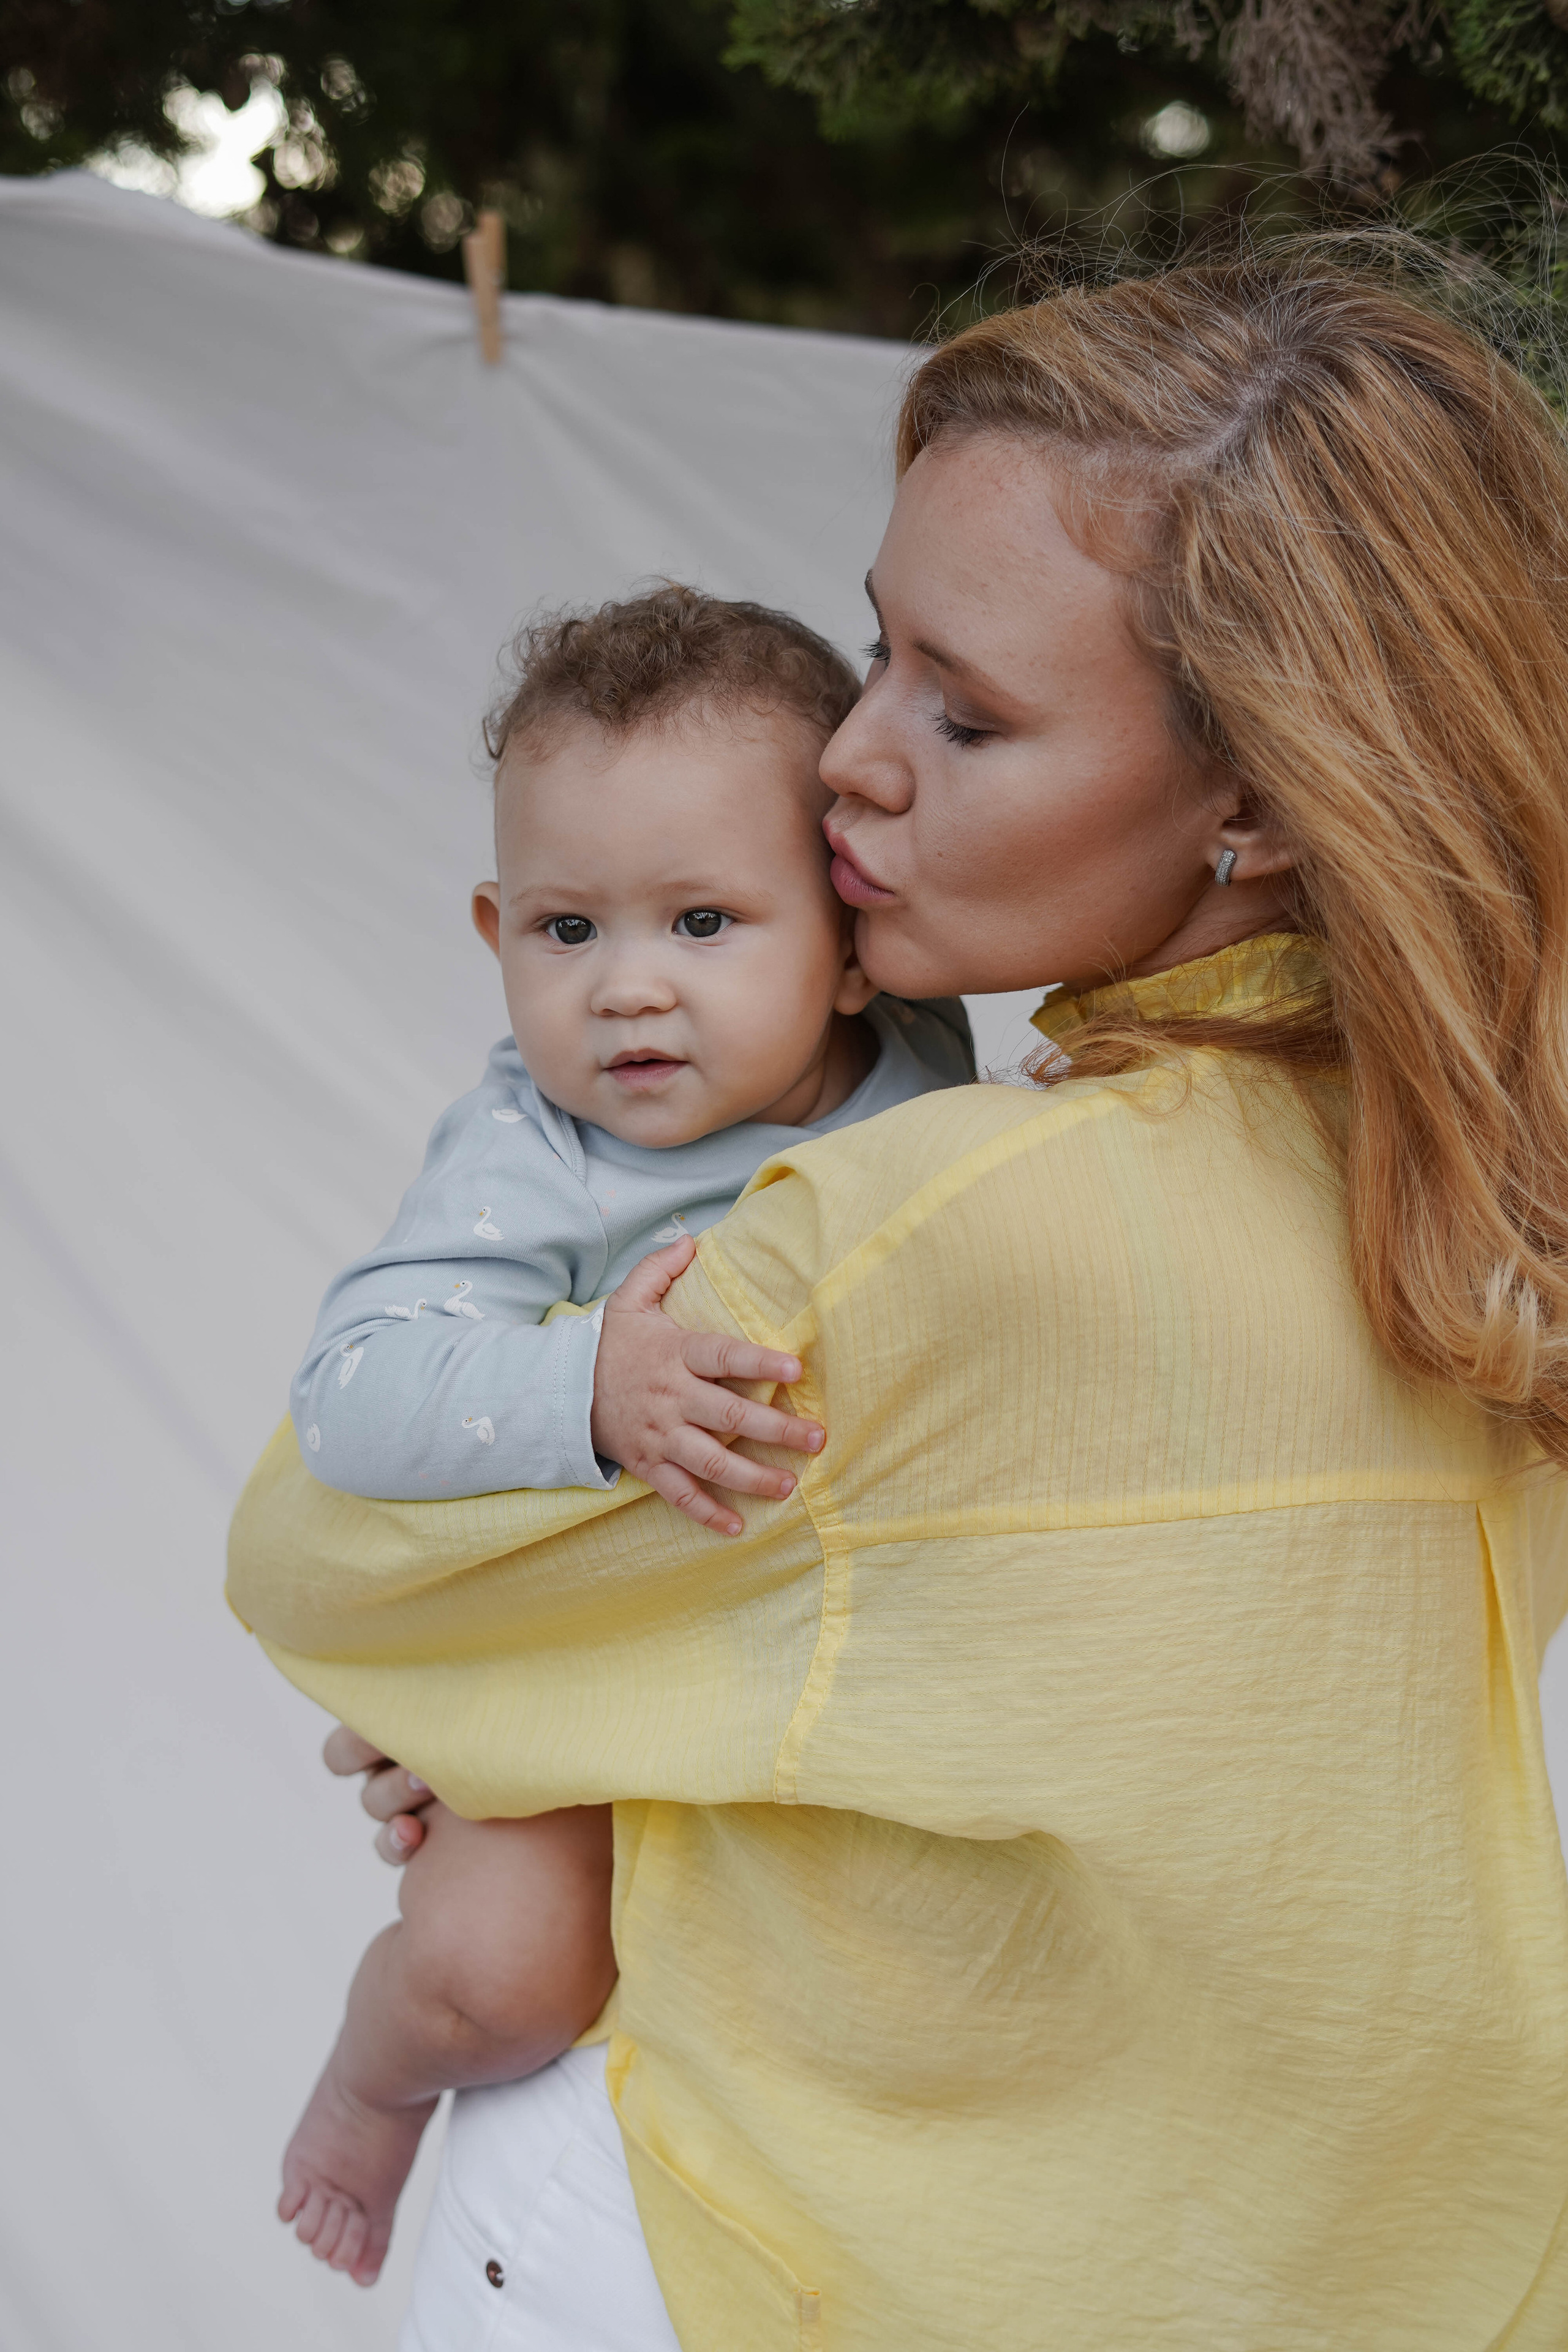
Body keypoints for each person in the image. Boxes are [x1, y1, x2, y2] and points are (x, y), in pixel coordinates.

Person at [230, 247, 1568, 2352]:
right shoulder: (1486, 1237)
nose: (846, 761)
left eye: (969, 711)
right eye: (877, 654)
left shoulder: (910, 1234)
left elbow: (323, 1552)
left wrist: (477, 1690)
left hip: (763, 2247)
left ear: (1266, 810)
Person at [275, 586, 972, 2288]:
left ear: (846, 923)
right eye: (567, 933)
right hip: (582, 1692)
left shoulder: (931, 1064)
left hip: (804, 1693)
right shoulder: (539, 1152)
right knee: (496, 1978)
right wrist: (588, 1380)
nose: (630, 994)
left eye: (706, 923)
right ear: (492, 925)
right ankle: (369, 2086)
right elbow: (352, 1385)